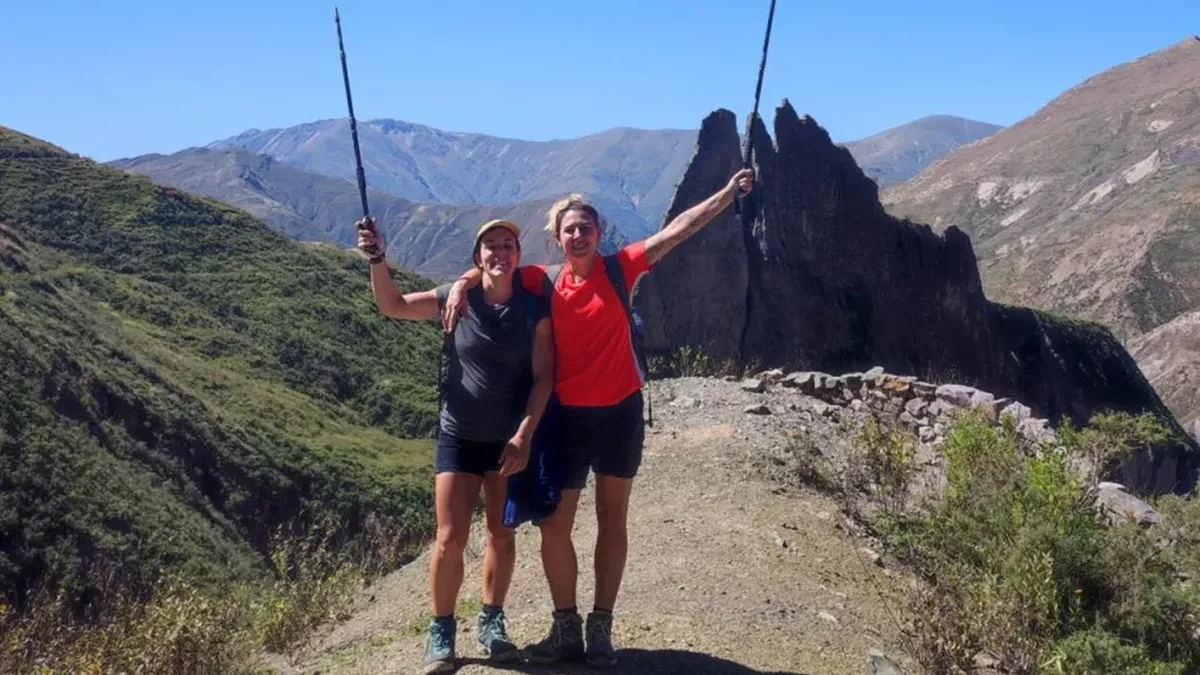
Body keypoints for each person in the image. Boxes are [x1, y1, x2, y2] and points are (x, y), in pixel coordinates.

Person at [442, 167, 755, 667]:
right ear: (557, 237)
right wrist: (461, 283)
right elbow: (491, 267)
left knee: (613, 520)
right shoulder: (541, 280)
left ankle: (600, 628)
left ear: (599, 232)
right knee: (553, 525)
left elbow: (680, 230)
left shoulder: (620, 269)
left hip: (620, 414)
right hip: (566, 418)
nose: (578, 234)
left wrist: (725, 193)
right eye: (569, 228)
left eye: (586, 226)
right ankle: (566, 628)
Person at [357, 216, 555, 673]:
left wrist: (525, 435)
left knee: (501, 536)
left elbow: (545, 377)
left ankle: (491, 623)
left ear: (518, 257)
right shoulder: (453, 299)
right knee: (448, 539)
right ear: (477, 257)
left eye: (508, 245)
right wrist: (377, 257)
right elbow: (392, 305)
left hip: (507, 442)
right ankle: (441, 632)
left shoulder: (532, 309)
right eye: (490, 246)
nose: (499, 253)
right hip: (459, 436)